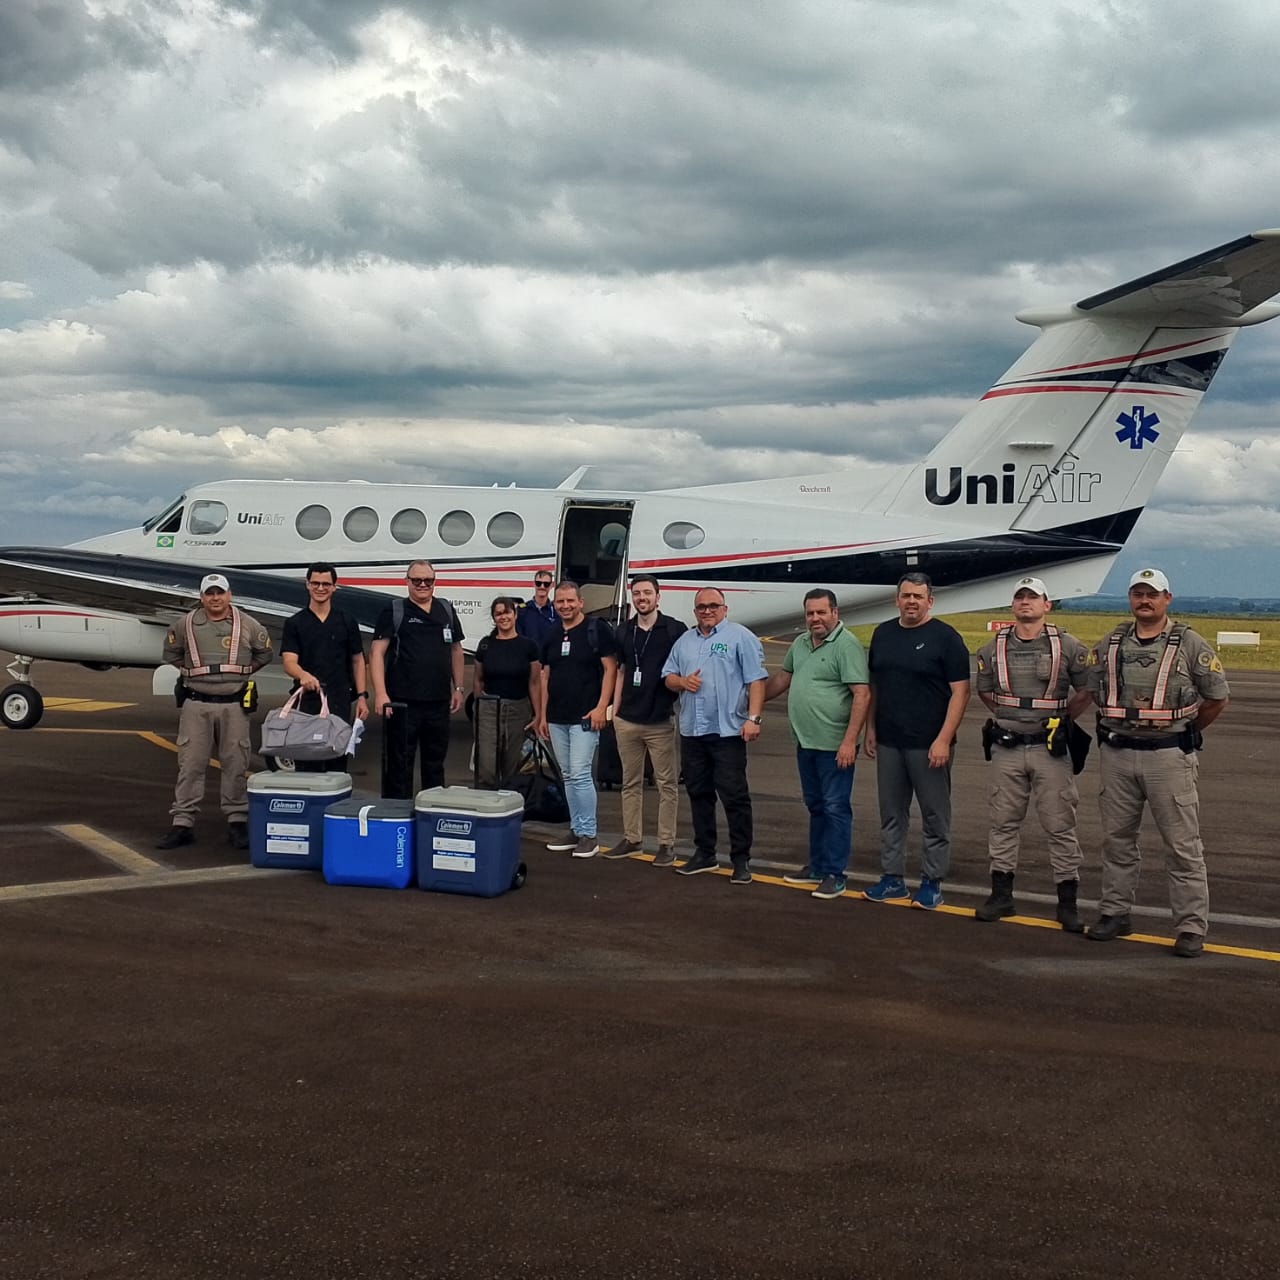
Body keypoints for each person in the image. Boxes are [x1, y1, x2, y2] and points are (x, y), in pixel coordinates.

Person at [1086, 568, 1230, 958]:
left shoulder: (1189, 643)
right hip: (1118, 754)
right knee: (1117, 841)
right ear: (1130, 598)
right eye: (1138, 593)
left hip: (1168, 757)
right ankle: (1115, 913)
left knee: (1182, 846)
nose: (1144, 600)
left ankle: (1190, 927)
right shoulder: (1112, 642)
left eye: (1153, 594)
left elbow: (1216, 697)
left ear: (1168, 598)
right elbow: (1086, 682)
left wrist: (1187, 731)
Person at [973, 577, 1093, 929]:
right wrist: (1011, 716)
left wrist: (1062, 720)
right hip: (1007, 746)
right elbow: (985, 692)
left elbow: (1086, 688)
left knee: (1060, 825)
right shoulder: (991, 648)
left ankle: (1067, 902)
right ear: (1012, 605)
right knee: (1003, 823)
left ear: (1047, 605)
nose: (1026, 602)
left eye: (1033, 597)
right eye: (1020, 597)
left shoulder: (1069, 646)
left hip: (1049, 749)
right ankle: (1001, 895)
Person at [862, 572, 970, 909]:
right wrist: (871, 728)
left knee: (935, 817)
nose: (911, 602)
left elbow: (960, 692)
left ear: (930, 601)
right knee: (892, 814)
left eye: (918, 597)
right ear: (897, 599)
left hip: (929, 745)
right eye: (906, 595)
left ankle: (932, 882)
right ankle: (892, 879)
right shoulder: (883, 634)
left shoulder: (946, 638)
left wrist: (943, 739)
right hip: (890, 742)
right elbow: (875, 686)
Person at [764, 589, 870, 900]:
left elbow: (861, 694)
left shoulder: (846, 645)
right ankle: (817, 865)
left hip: (834, 744)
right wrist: (749, 701)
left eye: (821, 613)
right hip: (805, 741)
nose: (815, 619)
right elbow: (782, 680)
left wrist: (850, 741)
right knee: (816, 806)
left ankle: (835, 874)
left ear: (835, 613)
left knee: (836, 807)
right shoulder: (799, 644)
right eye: (810, 613)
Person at [157, 573, 274, 850]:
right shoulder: (185, 625)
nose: (215, 598)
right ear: (201, 597)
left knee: (236, 764)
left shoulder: (247, 624)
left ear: (229, 595)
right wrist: (193, 675)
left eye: (219, 592)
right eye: (209, 593)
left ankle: (237, 822)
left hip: (234, 705)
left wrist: (239, 676)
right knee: (191, 764)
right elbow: (171, 653)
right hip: (196, 703)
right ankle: (182, 823)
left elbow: (264, 653)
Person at [662, 588, 768, 885]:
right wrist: (681, 681)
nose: (707, 611)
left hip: (728, 731)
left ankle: (741, 858)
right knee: (699, 793)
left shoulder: (740, 637)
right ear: (694, 611)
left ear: (724, 608)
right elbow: (668, 677)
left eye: (712, 606)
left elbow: (756, 680)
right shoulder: (684, 641)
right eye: (701, 607)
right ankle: (705, 852)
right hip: (693, 731)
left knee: (734, 795)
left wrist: (754, 719)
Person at [605, 575, 688, 866]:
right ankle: (632, 838)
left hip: (660, 720)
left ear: (658, 596)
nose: (642, 598)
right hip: (627, 719)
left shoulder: (674, 630)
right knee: (630, 783)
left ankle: (666, 843)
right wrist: (614, 711)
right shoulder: (624, 631)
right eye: (637, 593)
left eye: (647, 593)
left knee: (667, 784)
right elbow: (622, 670)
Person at [532, 581, 618, 858]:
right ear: (555, 604)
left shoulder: (597, 630)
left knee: (580, 773)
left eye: (570, 601)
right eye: (560, 602)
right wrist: (542, 715)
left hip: (585, 715)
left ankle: (589, 834)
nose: (566, 606)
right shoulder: (552, 633)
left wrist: (602, 706)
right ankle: (576, 828)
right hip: (557, 716)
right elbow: (545, 675)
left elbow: (610, 668)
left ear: (581, 602)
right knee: (568, 775)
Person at [369, 561, 465, 799]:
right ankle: (397, 816)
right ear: (407, 581)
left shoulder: (446, 610)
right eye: (416, 580)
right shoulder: (394, 610)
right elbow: (376, 653)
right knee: (399, 764)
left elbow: (456, 650)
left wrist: (459, 687)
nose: (422, 585)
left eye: (428, 580)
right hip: (402, 703)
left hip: (438, 702)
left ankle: (432, 813)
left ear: (434, 581)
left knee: (435, 764)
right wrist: (381, 694)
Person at [279, 563, 369, 772]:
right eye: (316, 583)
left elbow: (358, 660)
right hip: (308, 701)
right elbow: (289, 662)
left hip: (340, 700)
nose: (321, 588)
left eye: (326, 584)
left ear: (334, 587)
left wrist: (362, 696)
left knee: (337, 760)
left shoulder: (347, 621)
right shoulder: (295, 623)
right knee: (307, 760)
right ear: (307, 585)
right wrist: (303, 675)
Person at [472, 596, 540, 787]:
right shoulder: (486, 645)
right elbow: (478, 680)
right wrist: (479, 708)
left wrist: (538, 714)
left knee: (512, 767)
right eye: (498, 614)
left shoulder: (528, 646)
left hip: (518, 710)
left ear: (515, 614)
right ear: (494, 618)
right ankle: (485, 809)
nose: (503, 617)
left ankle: (508, 809)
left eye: (507, 612)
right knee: (486, 765)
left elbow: (534, 683)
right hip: (489, 709)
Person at [516, 570, 558, 648]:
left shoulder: (556, 611)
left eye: (546, 584)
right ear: (534, 584)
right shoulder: (522, 610)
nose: (542, 587)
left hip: (549, 657)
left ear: (551, 586)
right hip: (529, 657)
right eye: (539, 583)